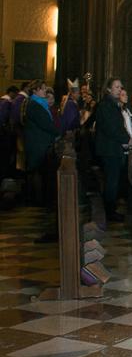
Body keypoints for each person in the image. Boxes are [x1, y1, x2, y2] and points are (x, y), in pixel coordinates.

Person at [23, 81, 61, 242]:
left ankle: (42, 203)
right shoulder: (35, 105)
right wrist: (59, 131)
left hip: (42, 144)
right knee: (40, 174)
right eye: (44, 89)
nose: (46, 91)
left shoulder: (38, 104)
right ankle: (40, 203)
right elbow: (46, 124)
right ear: (37, 90)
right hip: (38, 145)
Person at [94, 78, 132, 223]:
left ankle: (111, 209)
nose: (119, 89)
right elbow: (111, 128)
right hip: (109, 149)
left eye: (120, 87)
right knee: (111, 181)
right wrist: (126, 139)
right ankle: (110, 212)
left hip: (113, 148)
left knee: (113, 181)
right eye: (116, 87)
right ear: (108, 89)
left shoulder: (112, 104)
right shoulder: (106, 105)